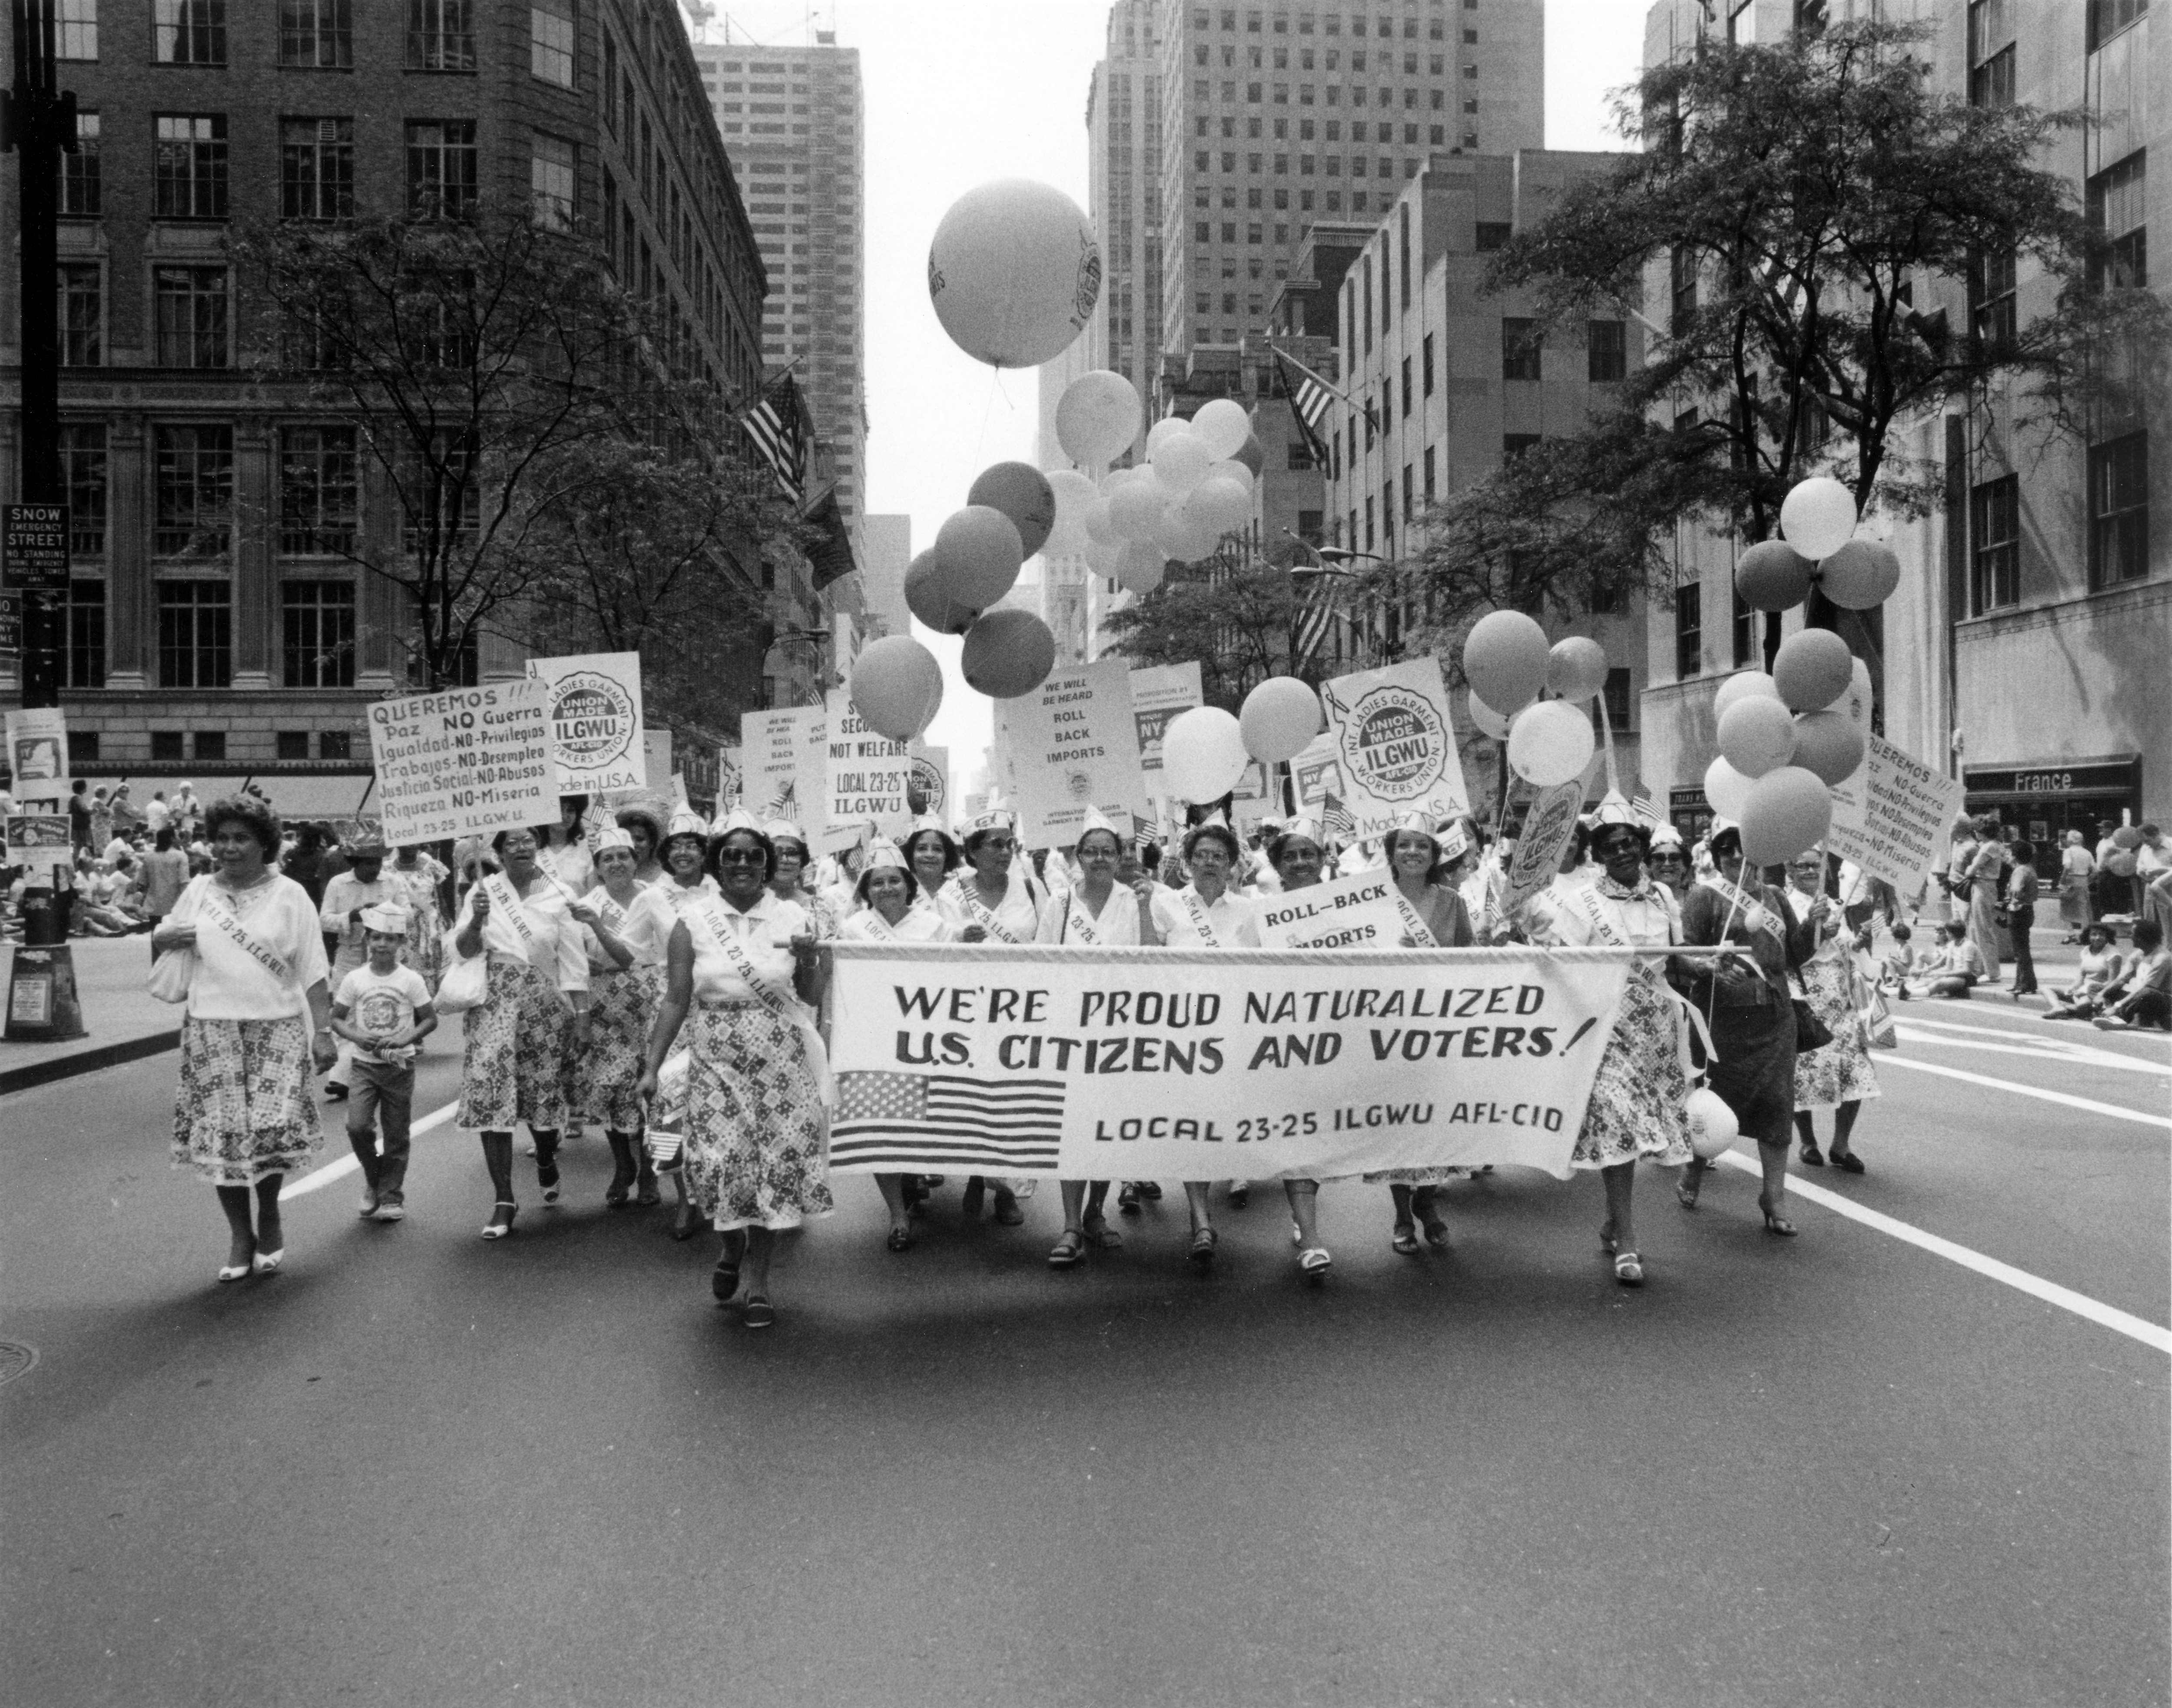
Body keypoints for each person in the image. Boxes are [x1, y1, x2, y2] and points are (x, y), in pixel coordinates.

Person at [636, 811, 831, 1330]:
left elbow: (811, 994)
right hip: (716, 1056)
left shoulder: (794, 919)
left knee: (771, 1166)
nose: (742, 864)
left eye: (753, 856)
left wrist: (812, 958)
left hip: (779, 1059)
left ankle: (758, 1281)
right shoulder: (693, 920)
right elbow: (676, 999)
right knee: (721, 1165)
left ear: (766, 865)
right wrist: (651, 1066)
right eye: (731, 856)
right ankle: (729, 1248)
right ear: (716, 865)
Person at [152, 795, 337, 1282]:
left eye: (241, 839)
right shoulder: (197, 890)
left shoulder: (291, 894)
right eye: (221, 839)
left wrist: (324, 1034)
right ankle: (239, 1233)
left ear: (264, 844)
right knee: (224, 1138)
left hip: (276, 1026)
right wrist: (165, 938)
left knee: (268, 1131)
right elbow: (167, 939)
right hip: (212, 1027)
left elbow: (313, 968)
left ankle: (269, 1213)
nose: (228, 848)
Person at [1523, 810, 1694, 1284]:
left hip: (1657, 1029)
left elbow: (1677, 961)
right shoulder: (1581, 903)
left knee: (1644, 1130)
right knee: (1616, 1121)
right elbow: (1562, 962)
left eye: (1628, 844)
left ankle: (1612, 1218)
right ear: (1597, 856)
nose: (1622, 852)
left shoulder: (1662, 896)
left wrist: (1713, 971)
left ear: (1640, 849)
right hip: (1607, 1027)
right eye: (1610, 846)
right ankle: (1628, 1239)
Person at [447, 825, 593, 1238]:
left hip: (544, 1007)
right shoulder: (483, 892)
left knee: (541, 1102)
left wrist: (582, 1016)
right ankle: (504, 1198)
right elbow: (462, 950)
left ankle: (546, 1156)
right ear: (499, 852)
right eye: (511, 842)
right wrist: (475, 920)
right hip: (493, 1004)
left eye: (529, 839)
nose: (522, 847)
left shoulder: (559, 894)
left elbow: (573, 960)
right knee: (491, 1093)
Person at [1675, 822, 1815, 1236]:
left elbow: (1796, 955)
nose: (1736, 857)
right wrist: (1709, 969)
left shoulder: (1775, 897)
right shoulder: (1704, 896)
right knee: (1715, 1100)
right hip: (1723, 1018)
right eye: (1726, 851)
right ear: (1717, 857)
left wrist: (1816, 925)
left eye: (1742, 849)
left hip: (1774, 1016)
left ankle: (1774, 1196)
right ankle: (1694, 1169)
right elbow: (1684, 953)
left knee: (1777, 1102)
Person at [1036, 808, 1156, 1270]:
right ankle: (1069, 1224)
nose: (1100, 858)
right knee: (1071, 1128)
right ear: (1077, 856)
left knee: (1106, 1126)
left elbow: (1152, 959)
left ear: (1120, 856)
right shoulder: (1059, 903)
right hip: (1071, 1028)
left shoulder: (1133, 899)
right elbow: (1041, 963)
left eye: (1109, 851)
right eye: (1091, 851)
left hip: (1120, 1029)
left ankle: (1094, 1213)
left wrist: (1146, 907)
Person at [1148, 818, 1262, 1262]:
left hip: (1234, 1030)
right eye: (1201, 856)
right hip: (1183, 1031)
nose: (1209, 863)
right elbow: (1147, 961)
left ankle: (1232, 1173)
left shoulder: (1249, 910)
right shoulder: (1166, 905)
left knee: (1226, 1116)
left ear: (1233, 865)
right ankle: (1200, 1218)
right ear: (1186, 863)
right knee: (1190, 1121)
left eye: (1218, 857)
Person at [1364, 812, 1478, 1256]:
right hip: (1386, 1029)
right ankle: (1400, 1214)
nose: (1412, 853)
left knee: (1435, 1123)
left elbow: (1469, 956)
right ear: (1391, 852)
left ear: (1434, 855)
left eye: (1422, 846)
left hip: (1438, 1027)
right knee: (1396, 1125)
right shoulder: (1370, 899)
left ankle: (1427, 1204)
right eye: (1404, 845)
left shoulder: (1451, 901)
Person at [836, 839, 959, 1249]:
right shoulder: (853, 929)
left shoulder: (936, 927)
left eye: (894, 880)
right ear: (866, 889)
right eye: (877, 882)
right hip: (873, 1037)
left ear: (908, 885)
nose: (886, 888)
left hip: (926, 1036)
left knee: (925, 1120)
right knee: (880, 1122)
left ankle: (918, 1174)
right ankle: (897, 1213)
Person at [937, 806, 1047, 1228]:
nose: (1005, 852)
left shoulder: (1032, 888)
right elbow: (935, 949)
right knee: (976, 1097)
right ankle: (986, 1176)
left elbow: (1050, 941)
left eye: (1009, 843)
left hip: (1022, 1011)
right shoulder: (951, 896)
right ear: (973, 851)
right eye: (995, 844)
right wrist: (957, 940)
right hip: (970, 1011)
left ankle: (1001, 1184)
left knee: (1014, 1100)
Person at [572, 827, 678, 1207]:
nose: (616, 863)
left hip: (648, 998)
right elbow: (567, 955)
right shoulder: (585, 903)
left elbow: (660, 950)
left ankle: (650, 1170)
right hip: (605, 1004)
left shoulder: (655, 898)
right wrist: (583, 962)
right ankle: (623, 1165)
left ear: (636, 861)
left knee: (649, 1086)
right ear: (598, 867)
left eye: (624, 856)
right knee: (610, 1085)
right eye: (607, 858)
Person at [327, 903, 437, 1222]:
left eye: (390, 939)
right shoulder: (355, 979)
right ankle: (374, 1177)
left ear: (401, 942)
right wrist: (357, 1037)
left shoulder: (411, 979)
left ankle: (391, 1195)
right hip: (363, 1065)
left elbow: (429, 1020)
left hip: (399, 1066)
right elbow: (337, 1019)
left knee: (396, 1132)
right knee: (357, 1125)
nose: (382, 945)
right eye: (376, 938)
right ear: (367, 940)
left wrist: (405, 1039)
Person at [1264, 817, 1337, 1281]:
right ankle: (1310, 1237)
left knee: (1323, 1134)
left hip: (1338, 1039)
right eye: (1289, 857)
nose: (1299, 863)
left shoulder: (1351, 908)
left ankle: (1302, 1216)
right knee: (1296, 1133)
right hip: (1284, 1040)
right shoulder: (1262, 916)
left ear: (1321, 860)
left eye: (1307, 854)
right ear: (1278, 868)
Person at [1785, 852, 1881, 1175]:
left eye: (1816, 865)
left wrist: (1860, 941)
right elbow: (1790, 951)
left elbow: (1847, 948)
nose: (1811, 871)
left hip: (1841, 998)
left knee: (1854, 1066)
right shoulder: (1787, 906)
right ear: (1791, 870)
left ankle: (1841, 1144)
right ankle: (1808, 1140)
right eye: (1803, 865)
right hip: (1807, 994)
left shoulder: (1836, 902)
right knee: (1805, 1069)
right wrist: (1817, 930)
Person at [317, 832, 406, 1102]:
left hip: (385, 956)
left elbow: (409, 915)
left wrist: (385, 912)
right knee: (344, 1014)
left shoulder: (393, 882)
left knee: (385, 1010)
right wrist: (352, 916)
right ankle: (340, 1078)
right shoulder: (338, 884)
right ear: (354, 862)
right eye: (367, 862)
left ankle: (388, 1068)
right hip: (349, 954)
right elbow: (324, 920)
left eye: (377, 862)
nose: (374, 867)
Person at [387, 842, 450, 989]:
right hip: (399, 927)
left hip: (427, 927)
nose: (409, 846)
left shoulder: (432, 866)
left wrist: (447, 922)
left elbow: (440, 897)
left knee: (427, 972)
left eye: (413, 842)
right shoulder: (386, 869)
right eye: (405, 842)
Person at [2092, 919, 2171, 1031]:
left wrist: (2117, 1006)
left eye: (2132, 934)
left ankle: (2118, 1017)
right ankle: (2108, 1012)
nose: (2130, 937)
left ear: (2143, 936)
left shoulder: (2163, 958)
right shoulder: (2137, 956)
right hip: (2139, 996)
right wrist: (2102, 993)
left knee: (2147, 993)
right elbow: (2121, 980)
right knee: (2095, 988)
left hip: (2162, 1000)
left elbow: (2147, 988)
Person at [2044, 922, 2123, 1020]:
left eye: (2101, 935)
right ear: (2088, 937)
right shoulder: (2086, 951)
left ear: (2107, 937)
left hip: (2096, 993)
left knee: (2084, 1005)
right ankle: (2058, 1008)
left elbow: (2112, 982)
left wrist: (2085, 991)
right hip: (2081, 991)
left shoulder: (2114, 955)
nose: (2097, 938)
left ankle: (2068, 1010)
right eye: (2094, 935)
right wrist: (2073, 988)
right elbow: (2082, 975)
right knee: (2047, 989)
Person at [138, 827, 192, 961]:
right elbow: (184, 882)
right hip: (175, 906)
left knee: (156, 940)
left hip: (154, 905)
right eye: (178, 836)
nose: (180, 838)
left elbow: (141, 882)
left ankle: (156, 969)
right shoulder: (181, 856)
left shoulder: (149, 857)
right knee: (175, 944)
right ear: (172, 839)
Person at [1907, 921, 1986, 999]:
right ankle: (1907, 989)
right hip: (1955, 974)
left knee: (1940, 983)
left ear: (1952, 934)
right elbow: (1948, 967)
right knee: (1931, 979)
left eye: (1948, 933)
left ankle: (1910, 994)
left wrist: (1944, 975)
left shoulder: (1968, 946)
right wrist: (1935, 973)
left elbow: (1967, 971)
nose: (1947, 935)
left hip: (1968, 978)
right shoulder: (1952, 945)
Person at [2004, 840, 2040, 997]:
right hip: (2027, 910)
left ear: (2015, 856)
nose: (2008, 856)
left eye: (2010, 853)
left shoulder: (2020, 871)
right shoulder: (2030, 869)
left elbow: (2017, 890)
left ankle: (2025, 983)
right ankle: (2022, 983)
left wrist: (2012, 900)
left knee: (2020, 951)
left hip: (2018, 911)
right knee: (2022, 949)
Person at [902, 814, 963, 905]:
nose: (930, 855)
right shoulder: (901, 890)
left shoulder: (961, 888)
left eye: (937, 849)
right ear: (911, 854)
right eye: (922, 848)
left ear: (947, 856)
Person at [2057, 830, 2096, 942]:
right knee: (2083, 908)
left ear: (2070, 840)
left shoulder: (2068, 852)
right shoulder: (2087, 852)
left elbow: (2067, 866)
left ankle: (2071, 934)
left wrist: (2061, 881)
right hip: (2083, 880)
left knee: (2065, 908)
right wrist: (2087, 880)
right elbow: (2095, 871)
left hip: (2071, 880)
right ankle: (2085, 935)